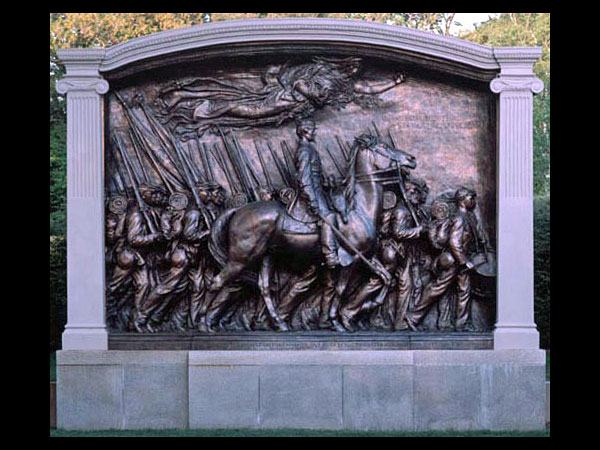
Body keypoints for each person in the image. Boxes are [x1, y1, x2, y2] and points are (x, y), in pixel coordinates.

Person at [406, 187, 483, 331]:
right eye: (471, 198)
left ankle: (462, 323)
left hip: (461, 260)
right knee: (437, 288)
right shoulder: (459, 218)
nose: (473, 201)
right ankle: (413, 317)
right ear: (462, 200)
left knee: (464, 290)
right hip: (453, 260)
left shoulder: (469, 216)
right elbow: (454, 242)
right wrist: (464, 262)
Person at [294, 119, 340, 268]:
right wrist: (312, 199)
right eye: (313, 130)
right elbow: (304, 178)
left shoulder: (310, 148)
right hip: (312, 191)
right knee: (329, 217)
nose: (315, 133)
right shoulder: (304, 151)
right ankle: (330, 255)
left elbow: (315, 174)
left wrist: (326, 182)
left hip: (318, 188)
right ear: (305, 131)